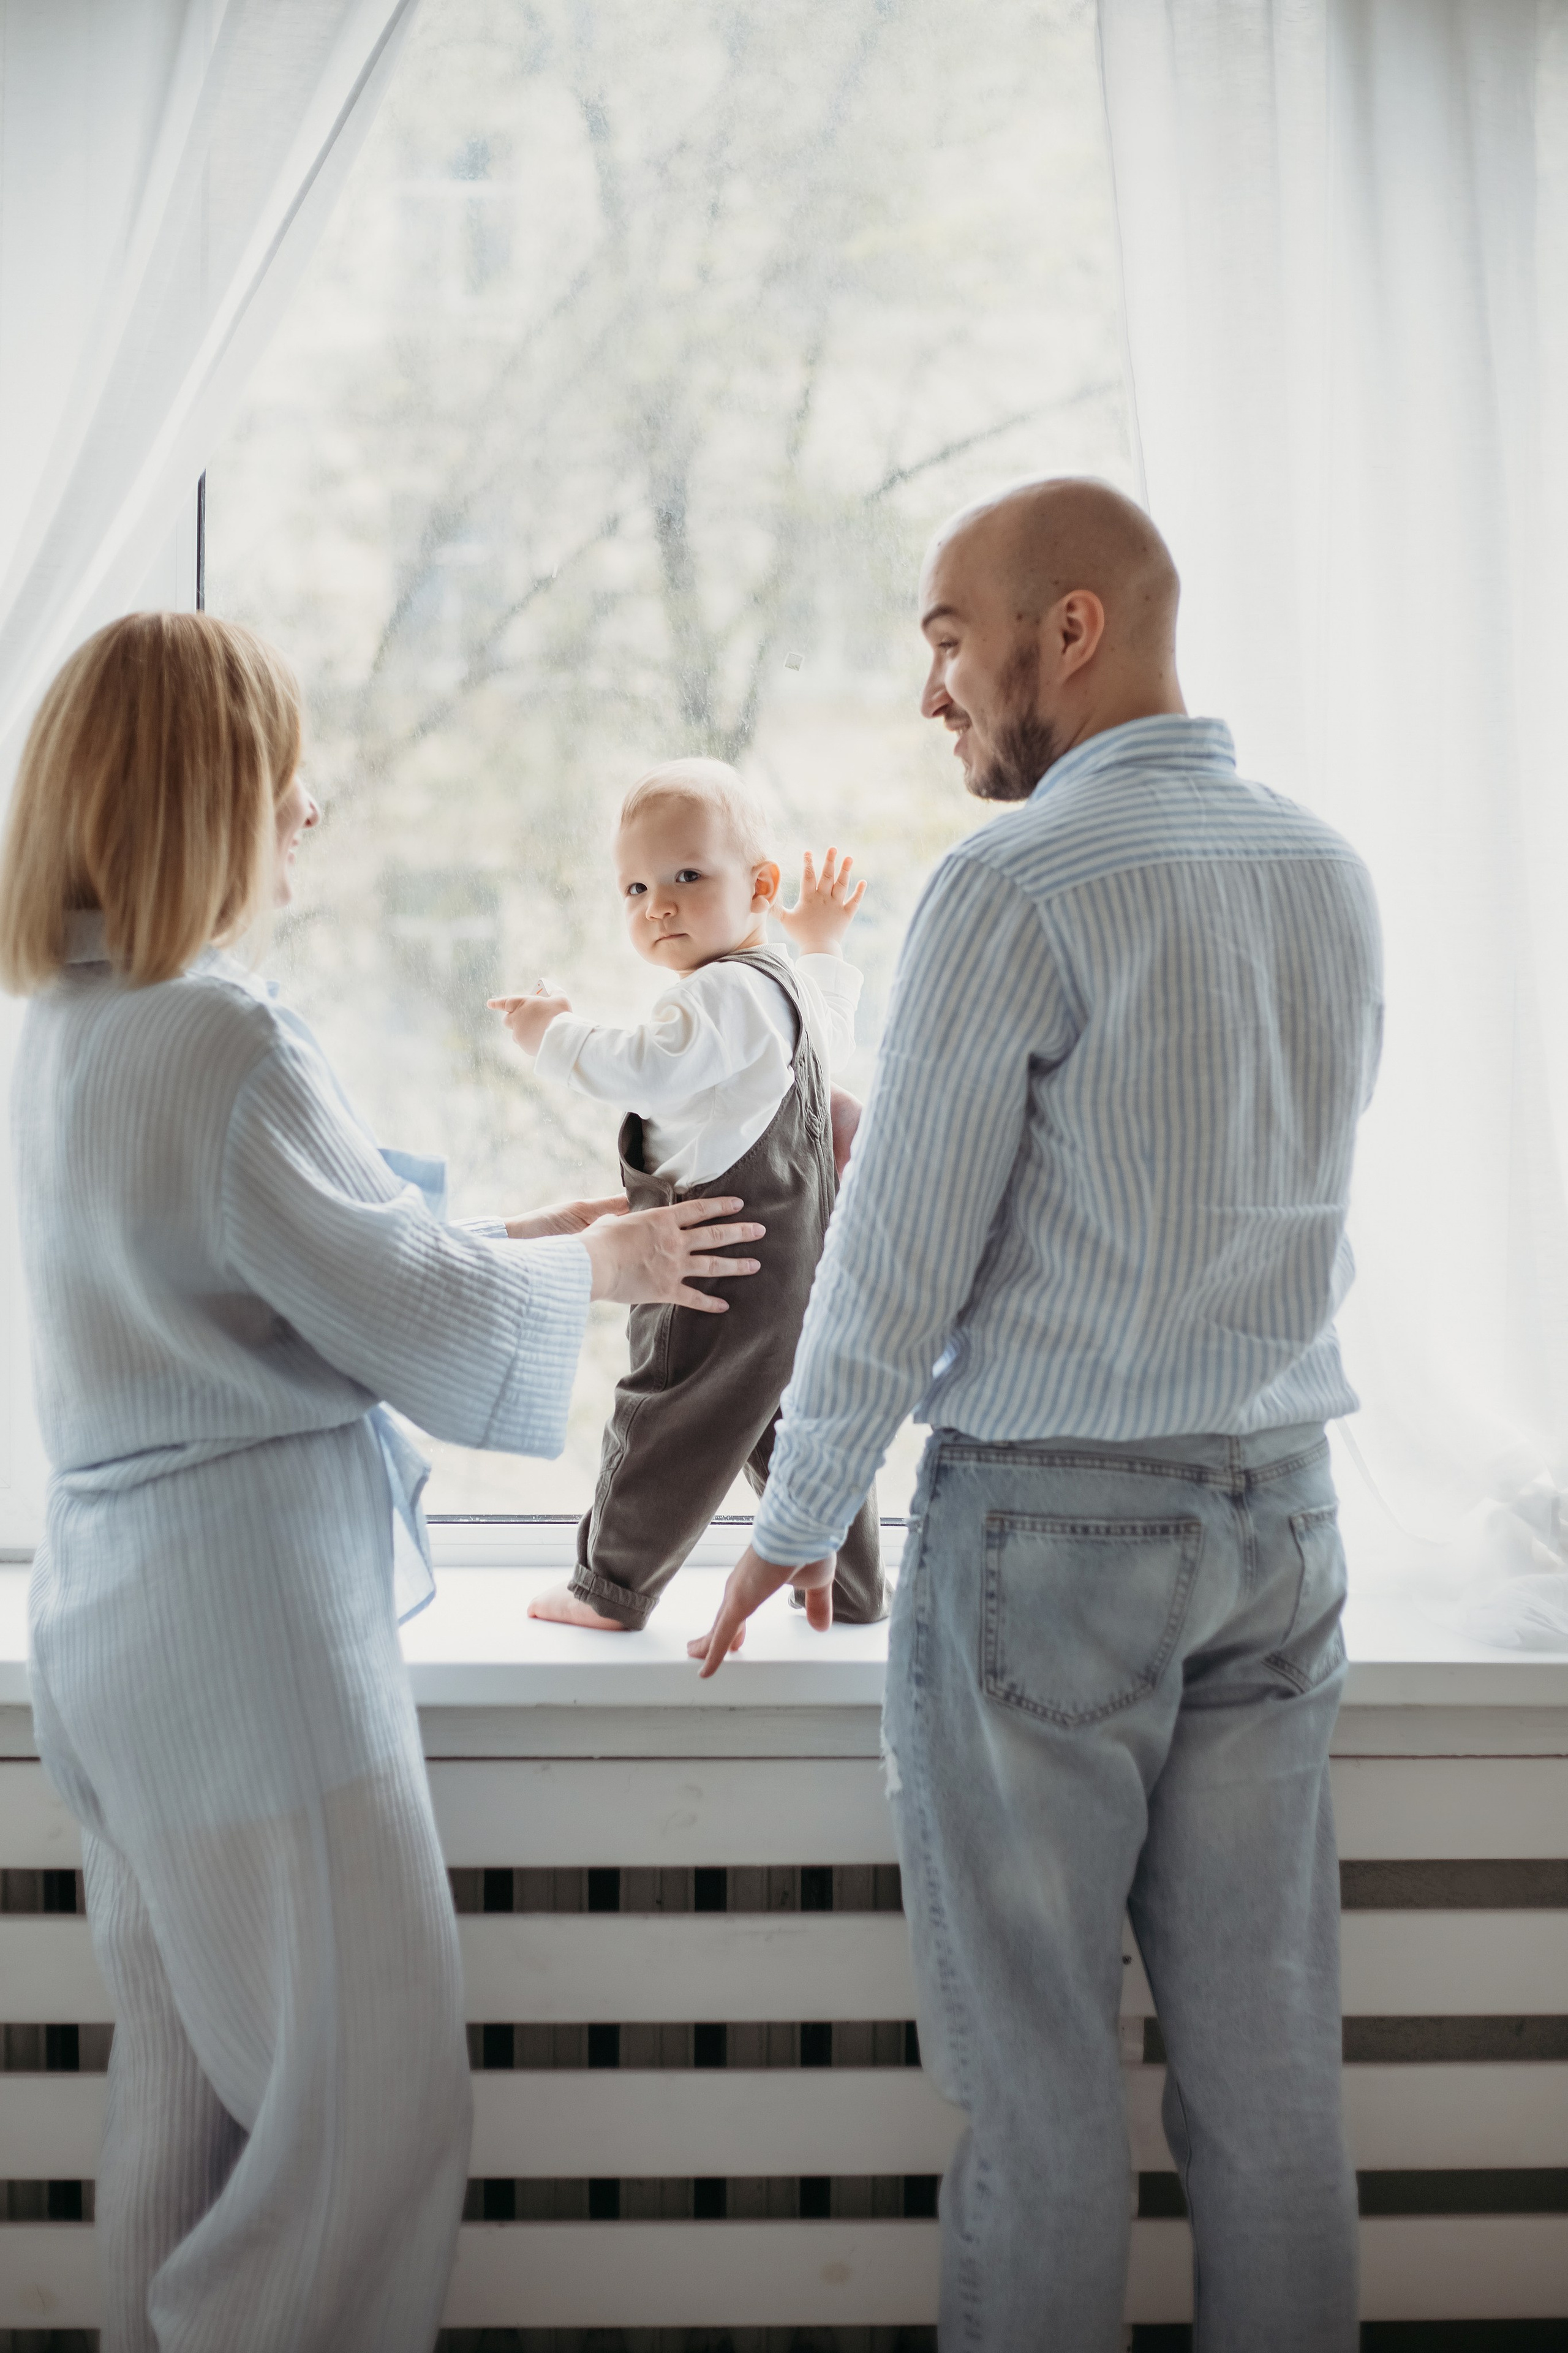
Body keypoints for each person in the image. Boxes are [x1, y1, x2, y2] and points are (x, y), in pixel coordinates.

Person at [0, 613, 766, 2353]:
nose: (309, 820)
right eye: (290, 786)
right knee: (364, 2123)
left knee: (190, 2111)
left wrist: (529, 1238)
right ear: (216, 799)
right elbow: (398, 1307)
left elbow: (264, 1272)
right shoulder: (223, 1038)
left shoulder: (72, 1031)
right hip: (250, 1643)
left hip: (115, 1636)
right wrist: (607, 1272)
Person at [692, 480, 1383, 2349]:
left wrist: (780, 1528)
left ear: (1066, 629)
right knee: (1275, 2097)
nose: (931, 689)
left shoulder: (1010, 886)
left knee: (1043, 2102)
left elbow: (897, 1265)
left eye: (943, 635)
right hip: (1285, 1524)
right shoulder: (1327, 866)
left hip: (1055, 1546)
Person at [490, 756, 884, 1632]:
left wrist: (549, 1033)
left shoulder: (715, 996)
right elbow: (836, 1026)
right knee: (798, 1427)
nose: (657, 904)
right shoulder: (780, 985)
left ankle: (612, 1584)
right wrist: (820, 943)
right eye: (634, 887)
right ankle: (855, 1589)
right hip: (796, 1268)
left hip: (716, 1265)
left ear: (761, 888)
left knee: (668, 1412)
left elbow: (646, 1067)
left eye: (686, 876)